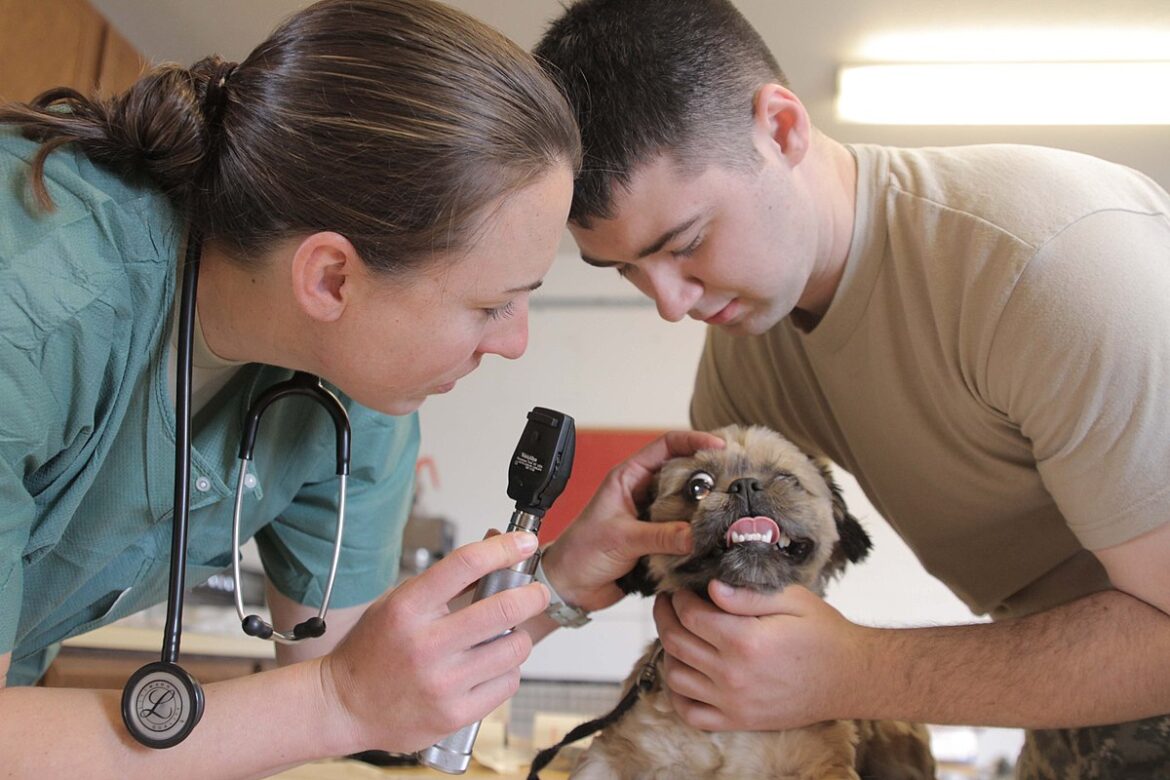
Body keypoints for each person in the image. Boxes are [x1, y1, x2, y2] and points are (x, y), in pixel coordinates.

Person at [0, 0, 720, 776]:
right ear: (332, 277)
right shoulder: (32, 304)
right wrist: (333, 703)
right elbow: (348, 698)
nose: (515, 343)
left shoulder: (353, 388)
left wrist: (557, 582)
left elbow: (384, 690)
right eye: (491, 304)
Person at [534, 0, 1170, 776]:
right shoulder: (749, 350)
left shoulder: (1051, 269)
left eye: (688, 244)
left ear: (782, 129)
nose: (670, 303)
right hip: (1073, 683)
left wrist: (856, 671)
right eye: (629, 269)